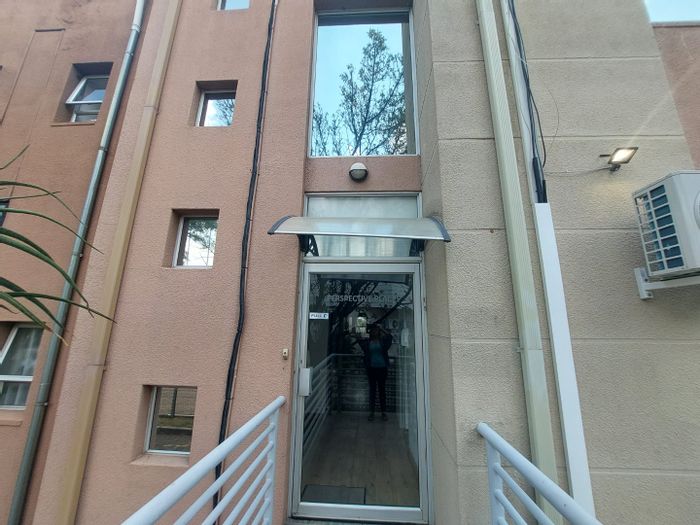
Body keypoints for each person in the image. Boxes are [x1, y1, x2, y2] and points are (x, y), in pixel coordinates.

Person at [354, 324, 393, 421]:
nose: (375, 332)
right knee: (372, 391)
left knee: (382, 391)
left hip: (382, 369)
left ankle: (383, 412)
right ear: (371, 332)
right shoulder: (367, 342)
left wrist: (382, 328)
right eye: (373, 330)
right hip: (371, 369)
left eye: (376, 330)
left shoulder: (383, 342)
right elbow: (359, 340)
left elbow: (390, 337)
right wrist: (357, 330)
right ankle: (372, 412)